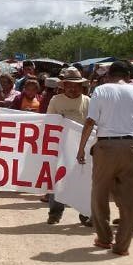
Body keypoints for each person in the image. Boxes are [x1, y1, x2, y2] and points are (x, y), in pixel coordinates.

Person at [76, 60, 133, 256]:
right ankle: (122, 246)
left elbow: (90, 121)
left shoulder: (101, 91)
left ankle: (104, 238)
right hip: (132, 146)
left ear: (109, 75)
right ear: (129, 76)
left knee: (99, 193)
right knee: (130, 199)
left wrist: (81, 148)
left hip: (105, 147)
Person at [46, 67, 90, 224]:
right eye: (69, 85)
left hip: (82, 148)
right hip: (61, 146)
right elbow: (50, 122)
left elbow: (92, 124)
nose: (72, 88)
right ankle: (55, 213)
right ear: (63, 86)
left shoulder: (88, 101)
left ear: (81, 86)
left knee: (84, 181)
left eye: (76, 85)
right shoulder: (55, 101)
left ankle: (85, 212)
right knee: (58, 179)